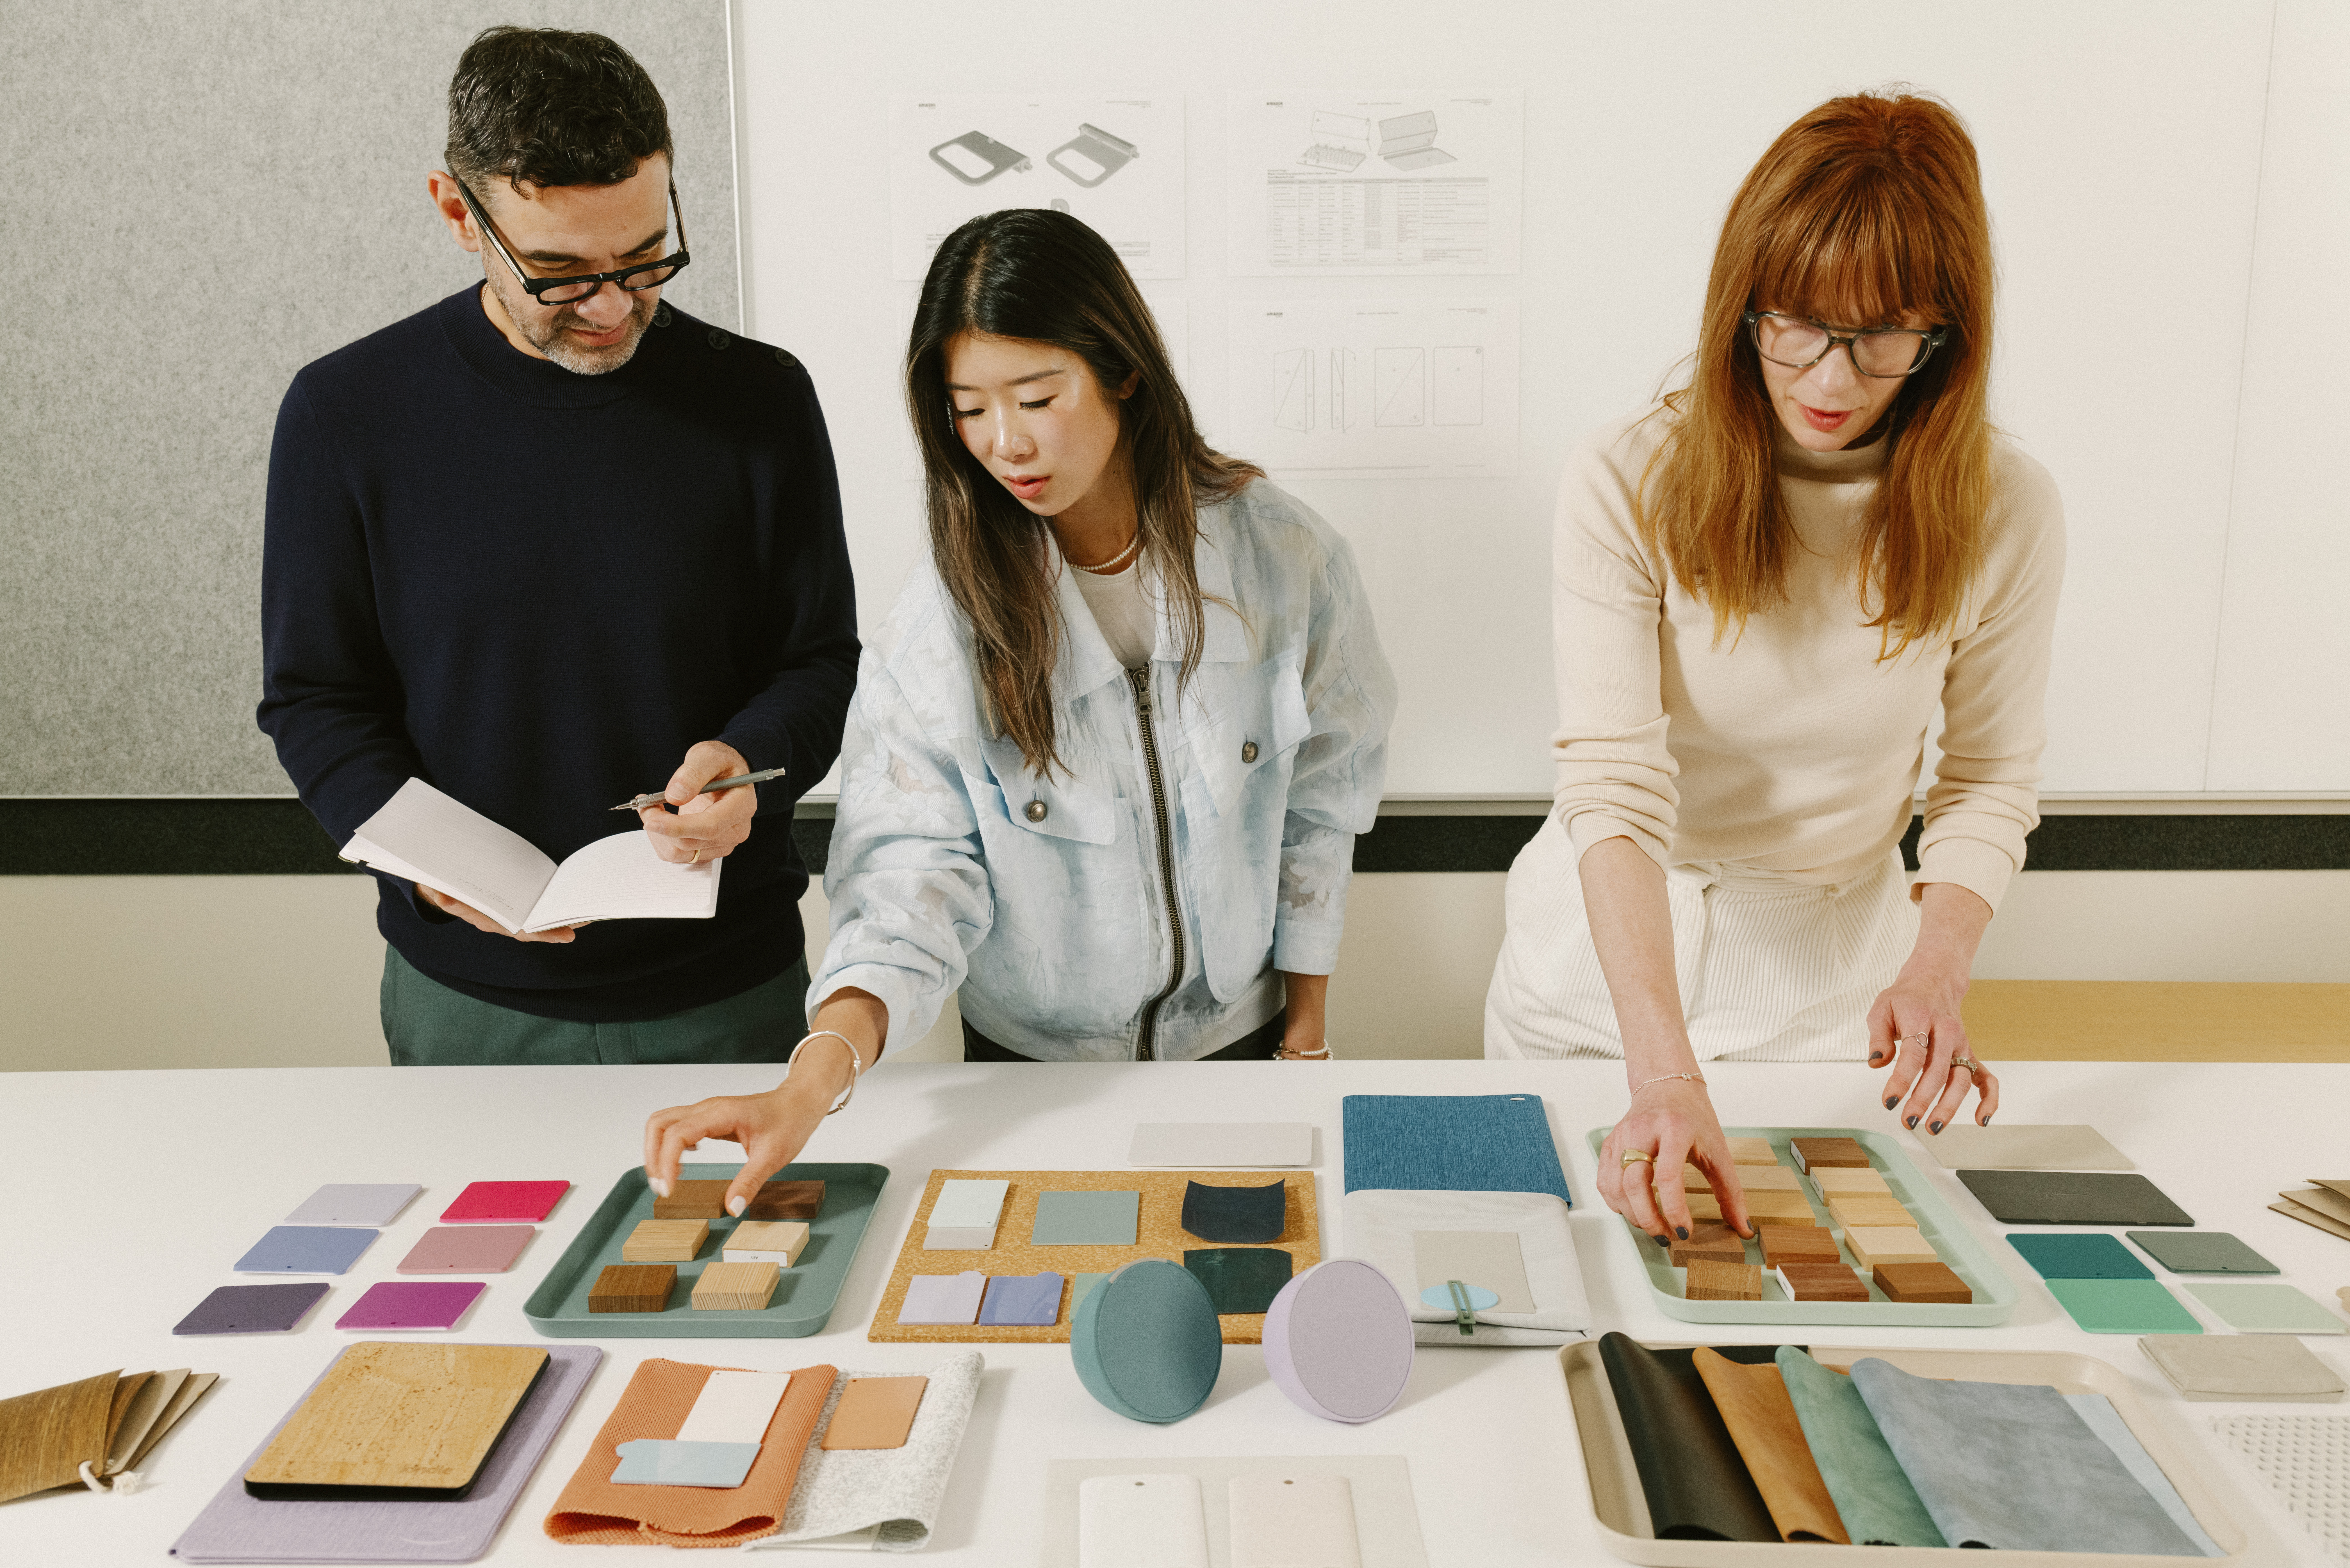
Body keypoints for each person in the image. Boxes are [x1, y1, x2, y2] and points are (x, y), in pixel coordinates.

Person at [642, 209, 1396, 1210]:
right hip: (1031, 1078)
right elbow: (908, 879)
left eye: (1038, 397)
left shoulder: (1283, 560)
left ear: (1122, 370)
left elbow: (1321, 803)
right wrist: (810, 1084)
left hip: (1246, 1047)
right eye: (969, 410)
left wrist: (1307, 1036)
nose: (1005, 444)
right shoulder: (941, 625)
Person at [1483, 90, 2063, 1241]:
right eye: (1794, 323)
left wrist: (1937, 969)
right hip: (1597, 989)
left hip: (1824, 1001)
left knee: (1804, 1324)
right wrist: (1662, 1071)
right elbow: (1613, 783)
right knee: (1547, 1312)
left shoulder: (2004, 506)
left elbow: (1987, 777)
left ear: (1947, 333)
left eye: (1884, 334)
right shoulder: (1628, 477)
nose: (1831, 380)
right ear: (1740, 304)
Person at [257, 27, 857, 1064]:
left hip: (732, 986)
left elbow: (816, 661)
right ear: (458, 213)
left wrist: (749, 765)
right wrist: (424, 869)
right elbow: (315, 699)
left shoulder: (761, 398)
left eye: (643, 258)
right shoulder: (345, 413)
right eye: (559, 272)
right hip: (467, 998)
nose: (614, 306)